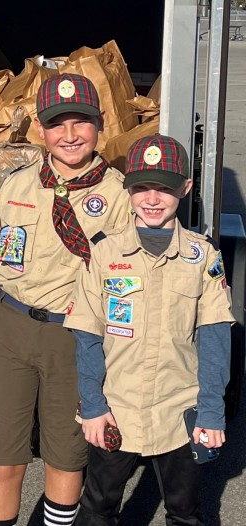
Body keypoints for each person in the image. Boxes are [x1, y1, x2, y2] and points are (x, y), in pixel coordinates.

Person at [0, 73, 131, 526]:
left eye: (81, 123)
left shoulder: (118, 195)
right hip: (12, 331)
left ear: (99, 127)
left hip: (74, 339)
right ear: (41, 130)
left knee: (66, 456)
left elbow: (124, 285)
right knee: (4, 458)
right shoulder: (19, 186)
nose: (70, 135)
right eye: (57, 125)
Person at [64, 134, 235, 525]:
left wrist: (211, 410)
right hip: (116, 408)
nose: (153, 199)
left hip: (179, 410)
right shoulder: (103, 252)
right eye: (142, 188)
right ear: (128, 188)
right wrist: (93, 406)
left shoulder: (202, 256)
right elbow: (87, 336)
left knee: (184, 511)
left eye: (166, 188)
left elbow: (214, 338)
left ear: (185, 188)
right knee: (98, 506)